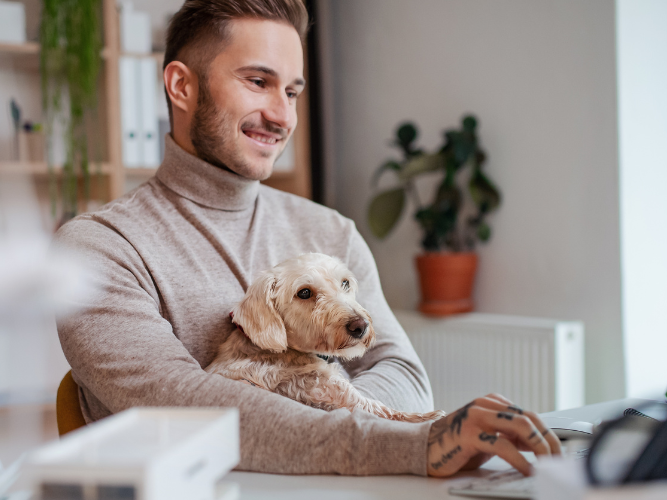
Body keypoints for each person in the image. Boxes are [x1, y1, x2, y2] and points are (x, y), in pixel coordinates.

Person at [54, 0, 560, 477]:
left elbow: (401, 373)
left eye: (292, 92)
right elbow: (188, 410)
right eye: (258, 82)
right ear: (182, 86)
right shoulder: (99, 251)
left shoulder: (331, 232)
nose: (283, 116)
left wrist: (333, 417)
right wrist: (411, 443)